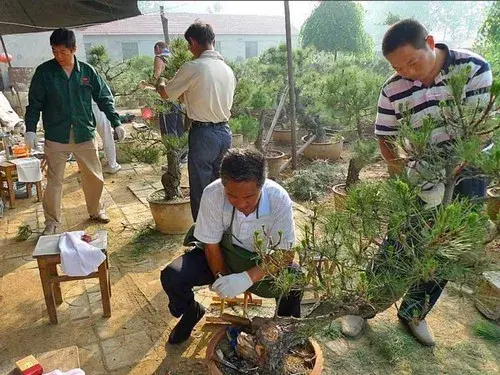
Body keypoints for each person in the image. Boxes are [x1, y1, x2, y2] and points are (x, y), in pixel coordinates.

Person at [340, 19, 493, 346]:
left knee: (448, 245)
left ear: (431, 42)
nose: (408, 71)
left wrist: (448, 172)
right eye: (398, 66)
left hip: (470, 166)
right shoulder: (392, 88)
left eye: (413, 61)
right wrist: (403, 183)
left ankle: (414, 311)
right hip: (421, 165)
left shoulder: (473, 68)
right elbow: (386, 138)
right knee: (400, 237)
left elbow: (479, 133)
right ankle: (362, 307)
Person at [160, 148, 302, 344]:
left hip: (259, 262)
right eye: (233, 196)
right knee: (173, 275)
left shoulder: (278, 198)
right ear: (224, 185)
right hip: (221, 254)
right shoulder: (213, 194)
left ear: (261, 185)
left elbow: (285, 253)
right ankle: (191, 312)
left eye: (249, 197)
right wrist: (221, 277)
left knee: (294, 280)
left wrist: (247, 277)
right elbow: (211, 245)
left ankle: (285, 333)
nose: (241, 204)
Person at [24, 28, 126, 235]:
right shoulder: (44, 73)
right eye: (54, 51)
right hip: (56, 136)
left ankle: (96, 210)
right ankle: (52, 221)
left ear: (74, 49)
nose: (58, 56)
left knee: (94, 176)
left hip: (84, 133)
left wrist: (116, 122)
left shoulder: (88, 72)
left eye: (63, 51)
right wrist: (30, 130)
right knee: (54, 181)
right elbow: (34, 104)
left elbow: (104, 98)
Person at [155, 21, 236, 221]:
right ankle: (223, 228)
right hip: (225, 133)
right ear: (213, 40)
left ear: (192, 41)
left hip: (204, 134)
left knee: (201, 187)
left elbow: (166, 94)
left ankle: (202, 238)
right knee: (222, 183)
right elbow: (195, 95)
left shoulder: (194, 66)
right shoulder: (227, 70)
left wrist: (161, 80)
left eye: (189, 45)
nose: (189, 50)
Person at [92, 101, 121, 174]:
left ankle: (86, 166)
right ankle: (112, 165)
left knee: (85, 138)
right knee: (106, 135)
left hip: (80, 104)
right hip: (98, 104)